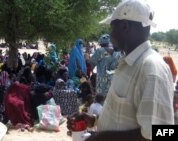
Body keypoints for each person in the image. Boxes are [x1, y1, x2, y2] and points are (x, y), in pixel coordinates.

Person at [67, 0, 174, 141]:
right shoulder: (128, 63)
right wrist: (94, 120)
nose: (110, 34)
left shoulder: (151, 69)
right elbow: (123, 116)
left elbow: (163, 133)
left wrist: (101, 138)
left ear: (125, 26)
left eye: (112, 28)